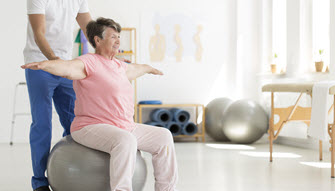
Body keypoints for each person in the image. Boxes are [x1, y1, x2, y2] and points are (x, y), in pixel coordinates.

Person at [22, 17, 179, 191]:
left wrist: (149, 68)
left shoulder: (120, 66)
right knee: (125, 140)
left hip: (124, 125)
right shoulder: (88, 62)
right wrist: (45, 65)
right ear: (98, 40)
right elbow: (67, 68)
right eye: (113, 37)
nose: (118, 40)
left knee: (164, 137)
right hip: (91, 126)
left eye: (119, 36)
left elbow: (137, 68)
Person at [23, 0, 92, 190]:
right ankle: (39, 181)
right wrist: (54, 61)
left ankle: (74, 171)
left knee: (75, 122)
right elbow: (39, 34)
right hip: (39, 65)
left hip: (65, 67)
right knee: (42, 123)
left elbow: (89, 28)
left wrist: (107, 57)